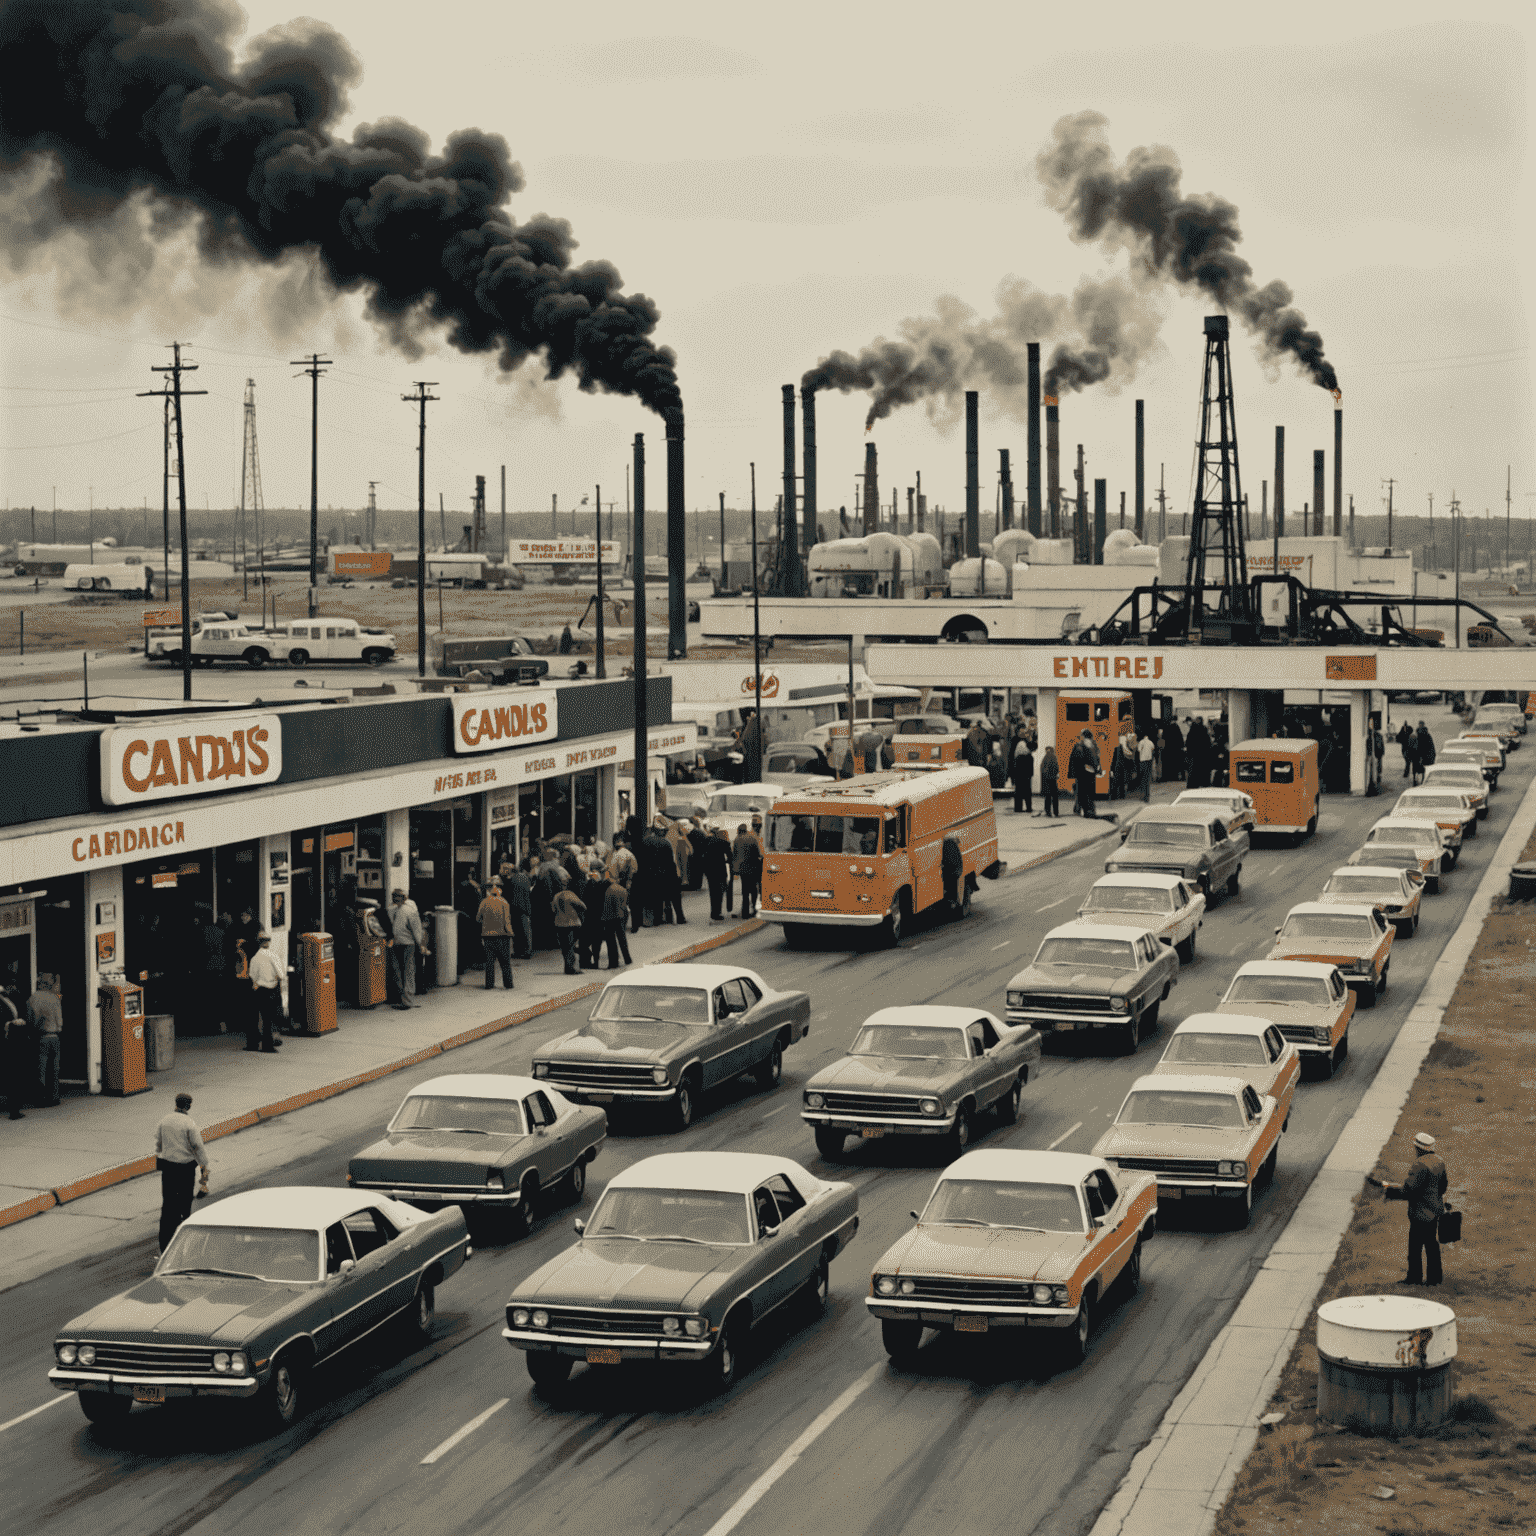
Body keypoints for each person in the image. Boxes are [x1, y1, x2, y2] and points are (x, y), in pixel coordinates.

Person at [1371, 1131, 1449, 1286]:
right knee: (1432, 1245)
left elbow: (1409, 1190)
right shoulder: (1439, 1161)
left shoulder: (1419, 1165)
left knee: (1415, 1247)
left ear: (1418, 1148)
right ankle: (1435, 1279)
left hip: (1420, 1214)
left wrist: (1388, 1191)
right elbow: (1443, 1186)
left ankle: (1414, 1278)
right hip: (1435, 1211)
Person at [154, 1091, 210, 1254]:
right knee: (184, 1207)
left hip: (168, 1169)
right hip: (185, 1170)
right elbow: (198, 1148)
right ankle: (183, 1247)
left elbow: (158, 1143)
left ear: (176, 1103)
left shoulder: (164, 1120)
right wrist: (204, 1176)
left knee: (168, 1206)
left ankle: (164, 1247)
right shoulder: (189, 1124)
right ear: (189, 1106)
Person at [388, 889, 429, 1009]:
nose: (394, 899)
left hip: (405, 944)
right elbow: (415, 930)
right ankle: (404, 999)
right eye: (393, 896)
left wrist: (420, 944)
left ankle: (406, 1000)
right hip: (401, 943)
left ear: (403, 898)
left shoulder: (406, 910)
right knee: (403, 971)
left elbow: (415, 930)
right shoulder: (396, 910)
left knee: (404, 972)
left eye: (396, 897)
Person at [26, 974, 63, 1107]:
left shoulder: (34, 998)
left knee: (40, 1069)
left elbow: (31, 1019)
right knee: (54, 1068)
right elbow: (60, 1020)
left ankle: (40, 1098)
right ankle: (54, 1097)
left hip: (41, 1037)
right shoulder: (54, 998)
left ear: (39, 984)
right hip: (55, 1036)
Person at [247, 931, 285, 1050]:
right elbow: (281, 975)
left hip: (258, 990)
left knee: (255, 1018)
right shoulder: (273, 956)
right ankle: (267, 1045)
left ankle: (252, 1044)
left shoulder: (255, 958)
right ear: (269, 942)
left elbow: (252, 975)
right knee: (268, 1019)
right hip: (271, 989)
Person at [476, 881, 515, 990]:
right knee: (505, 962)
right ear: (499, 892)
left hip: (488, 936)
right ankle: (508, 984)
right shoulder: (504, 902)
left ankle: (489, 985)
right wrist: (511, 934)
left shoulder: (484, 903)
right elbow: (507, 921)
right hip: (503, 936)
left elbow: (478, 918)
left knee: (489, 963)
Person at [2, 985, 29, 1118]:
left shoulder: (8, 1001)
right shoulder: (5, 1002)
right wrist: (13, 1023)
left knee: (12, 1075)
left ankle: (14, 1107)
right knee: (12, 1076)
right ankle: (14, 1109)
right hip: (7, 1044)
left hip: (10, 1043)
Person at [551, 883, 586, 975]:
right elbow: (583, 906)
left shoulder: (556, 896)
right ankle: (572, 968)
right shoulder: (570, 894)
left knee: (564, 947)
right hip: (571, 923)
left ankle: (567, 967)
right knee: (571, 945)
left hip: (559, 924)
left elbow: (553, 910)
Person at [600, 871, 632, 968]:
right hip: (621, 916)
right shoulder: (623, 890)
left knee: (611, 941)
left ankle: (614, 962)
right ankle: (627, 958)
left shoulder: (609, 891)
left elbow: (608, 906)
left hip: (611, 918)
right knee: (622, 939)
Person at [579, 865, 609, 969]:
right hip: (598, 918)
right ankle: (595, 961)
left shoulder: (586, 886)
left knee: (586, 941)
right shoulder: (602, 887)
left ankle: (585, 962)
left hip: (589, 917)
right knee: (597, 942)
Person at [504, 862, 534, 959]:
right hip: (525, 907)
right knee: (525, 930)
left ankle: (519, 951)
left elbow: (507, 894)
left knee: (516, 931)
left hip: (514, 907)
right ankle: (527, 951)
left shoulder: (511, 880)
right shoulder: (525, 877)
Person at [456, 872, 485, 974]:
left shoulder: (464, 885)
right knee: (476, 939)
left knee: (469, 940)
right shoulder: (475, 885)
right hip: (475, 915)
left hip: (468, 915)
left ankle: (471, 963)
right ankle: (479, 962)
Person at [734, 821, 763, 919]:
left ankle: (745, 913)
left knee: (745, 891)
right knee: (754, 891)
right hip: (753, 868)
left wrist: (735, 869)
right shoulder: (752, 839)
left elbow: (735, 855)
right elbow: (757, 853)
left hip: (743, 869)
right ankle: (754, 910)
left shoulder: (737, 840)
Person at [703, 826, 732, 921]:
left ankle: (713, 912)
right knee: (719, 892)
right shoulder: (723, 843)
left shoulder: (706, 841)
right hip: (720, 871)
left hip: (709, 871)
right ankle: (717, 913)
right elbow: (730, 857)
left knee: (713, 892)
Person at [1069, 730, 1099, 819]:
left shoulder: (1080, 746)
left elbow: (1073, 761)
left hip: (1082, 774)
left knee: (1082, 792)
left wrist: (1073, 773)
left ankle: (1082, 810)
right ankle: (1087, 810)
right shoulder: (1093, 746)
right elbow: (1097, 759)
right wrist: (1097, 769)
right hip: (1088, 773)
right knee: (1086, 793)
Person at [1185, 716, 1212, 789]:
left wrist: (1188, 753)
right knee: (1203, 769)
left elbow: (1188, 743)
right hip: (1203, 754)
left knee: (1193, 770)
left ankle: (1193, 784)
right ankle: (1204, 782)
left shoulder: (1192, 730)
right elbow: (1208, 743)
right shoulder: (1204, 729)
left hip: (1193, 754)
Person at [1011, 733, 1034, 814]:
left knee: (1018, 792)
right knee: (1027, 793)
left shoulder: (1018, 758)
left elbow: (1015, 768)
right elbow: (1031, 768)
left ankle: (1018, 808)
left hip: (1019, 776)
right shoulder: (1029, 756)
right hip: (1027, 776)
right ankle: (1028, 808)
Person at [941, 835, 964, 914]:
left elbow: (947, 860)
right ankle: (954, 902)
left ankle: (953, 903)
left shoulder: (947, 845)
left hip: (951, 871)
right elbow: (959, 859)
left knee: (950, 887)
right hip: (954, 870)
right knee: (953, 888)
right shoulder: (952, 845)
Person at [1161, 716, 1185, 782]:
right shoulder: (1176, 727)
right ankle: (1175, 777)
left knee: (1170, 763)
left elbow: (1163, 737)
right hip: (1176, 749)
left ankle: (1169, 776)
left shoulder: (1166, 727)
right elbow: (1180, 738)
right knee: (1176, 763)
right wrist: (1182, 746)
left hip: (1168, 748)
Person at [1040, 745, 1060, 818]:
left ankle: (1048, 811)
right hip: (1052, 779)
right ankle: (1056, 812)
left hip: (1047, 779)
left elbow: (1042, 769)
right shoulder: (1053, 757)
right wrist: (1056, 774)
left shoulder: (1045, 758)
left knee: (1048, 796)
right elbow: (1056, 767)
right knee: (1054, 796)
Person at [1137, 729, 1155, 803]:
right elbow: (1152, 748)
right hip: (1149, 762)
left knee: (1143, 780)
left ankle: (1143, 796)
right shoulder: (1151, 742)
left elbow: (1138, 750)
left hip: (1143, 762)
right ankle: (1147, 796)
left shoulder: (1141, 742)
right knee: (1148, 779)